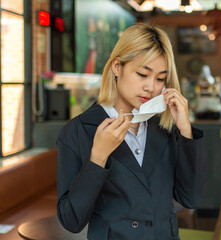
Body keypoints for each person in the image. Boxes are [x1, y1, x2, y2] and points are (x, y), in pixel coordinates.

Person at [56, 23, 208, 240]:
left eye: (160, 79)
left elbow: (190, 198)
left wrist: (185, 129)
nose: (151, 87)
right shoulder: (77, 131)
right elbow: (71, 220)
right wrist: (98, 158)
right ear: (117, 67)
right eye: (142, 74)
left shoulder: (165, 129)